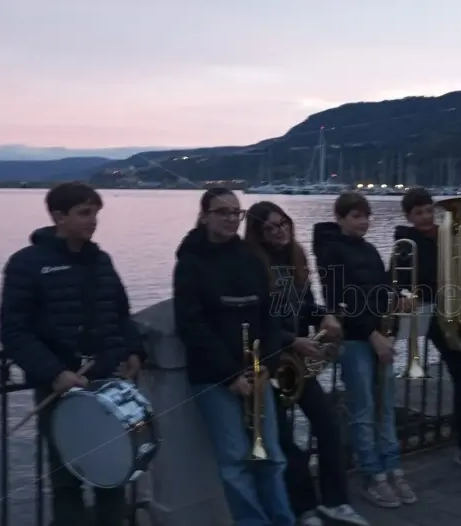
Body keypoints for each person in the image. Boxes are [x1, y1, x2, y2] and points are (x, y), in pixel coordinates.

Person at [0, 182, 144, 526]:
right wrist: (54, 373)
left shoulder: (101, 260)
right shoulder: (26, 263)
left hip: (106, 384)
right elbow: (13, 331)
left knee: (113, 473)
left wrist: (135, 348)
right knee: (67, 479)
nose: (93, 220)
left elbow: (120, 313)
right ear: (58, 216)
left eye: (95, 212)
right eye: (84, 213)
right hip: (59, 388)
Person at [173, 188, 294, 526]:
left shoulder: (250, 258)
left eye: (235, 213)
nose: (230, 218)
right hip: (214, 378)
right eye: (222, 212)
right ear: (204, 216)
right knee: (235, 461)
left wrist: (267, 364)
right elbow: (191, 325)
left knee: (272, 456)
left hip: (256, 373)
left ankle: (283, 520)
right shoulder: (189, 262)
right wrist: (229, 375)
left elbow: (270, 315)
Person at [244, 201, 369, 526]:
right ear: (258, 234)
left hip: (295, 360)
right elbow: (257, 320)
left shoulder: (296, 256)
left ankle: (335, 501)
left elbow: (307, 306)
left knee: (328, 427)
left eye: (282, 222)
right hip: (270, 361)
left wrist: (324, 315)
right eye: (270, 227)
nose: (279, 230)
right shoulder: (252, 266)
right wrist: (291, 340)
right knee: (285, 440)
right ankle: (304, 509)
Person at [312, 192, 417, 509]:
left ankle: (392, 467)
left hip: (379, 335)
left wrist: (397, 297)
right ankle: (373, 474)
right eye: (356, 216)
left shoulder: (369, 249)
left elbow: (381, 288)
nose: (364, 222)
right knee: (363, 409)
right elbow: (339, 302)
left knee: (384, 406)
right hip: (357, 340)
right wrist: (372, 334)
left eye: (366, 216)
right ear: (341, 218)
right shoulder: (329, 252)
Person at [393, 188, 461, 473]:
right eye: (419, 213)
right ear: (409, 216)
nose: (426, 216)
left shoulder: (453, 233)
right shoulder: (406, 243)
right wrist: (404, 295)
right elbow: (392, 280)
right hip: (436, 316)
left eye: (429, 210)